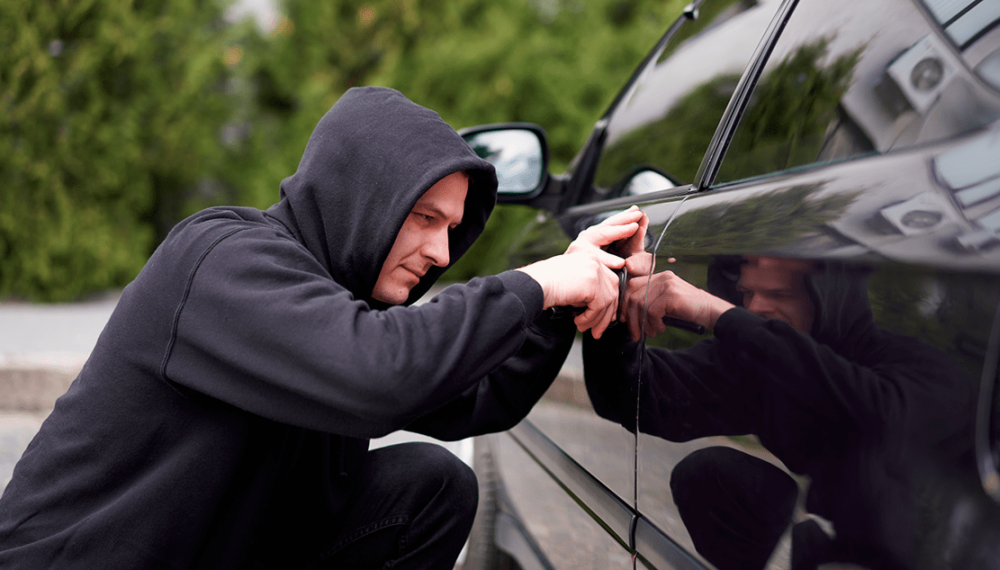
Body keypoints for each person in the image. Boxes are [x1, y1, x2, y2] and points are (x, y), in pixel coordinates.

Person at [0, 87, 642, 569]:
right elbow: (380, 372)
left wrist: (562, 300)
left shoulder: (341, 306)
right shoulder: (223, 259)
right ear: (361, 194)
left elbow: (478, 394)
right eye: (423, 216)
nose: (443, 253)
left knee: (429, 488)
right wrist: (541, 281)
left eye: (451, 227)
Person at [586, 243, 978, 570]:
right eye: (747, 294)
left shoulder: (917, 364)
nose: (755, 308)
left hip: (953, 548)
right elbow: (635, 397)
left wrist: (715, 312)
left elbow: (885, 420)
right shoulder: (759, 362)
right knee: (708, 477)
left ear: (830, 298)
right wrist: (615, 306)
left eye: (779, 295)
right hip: (836, 538)